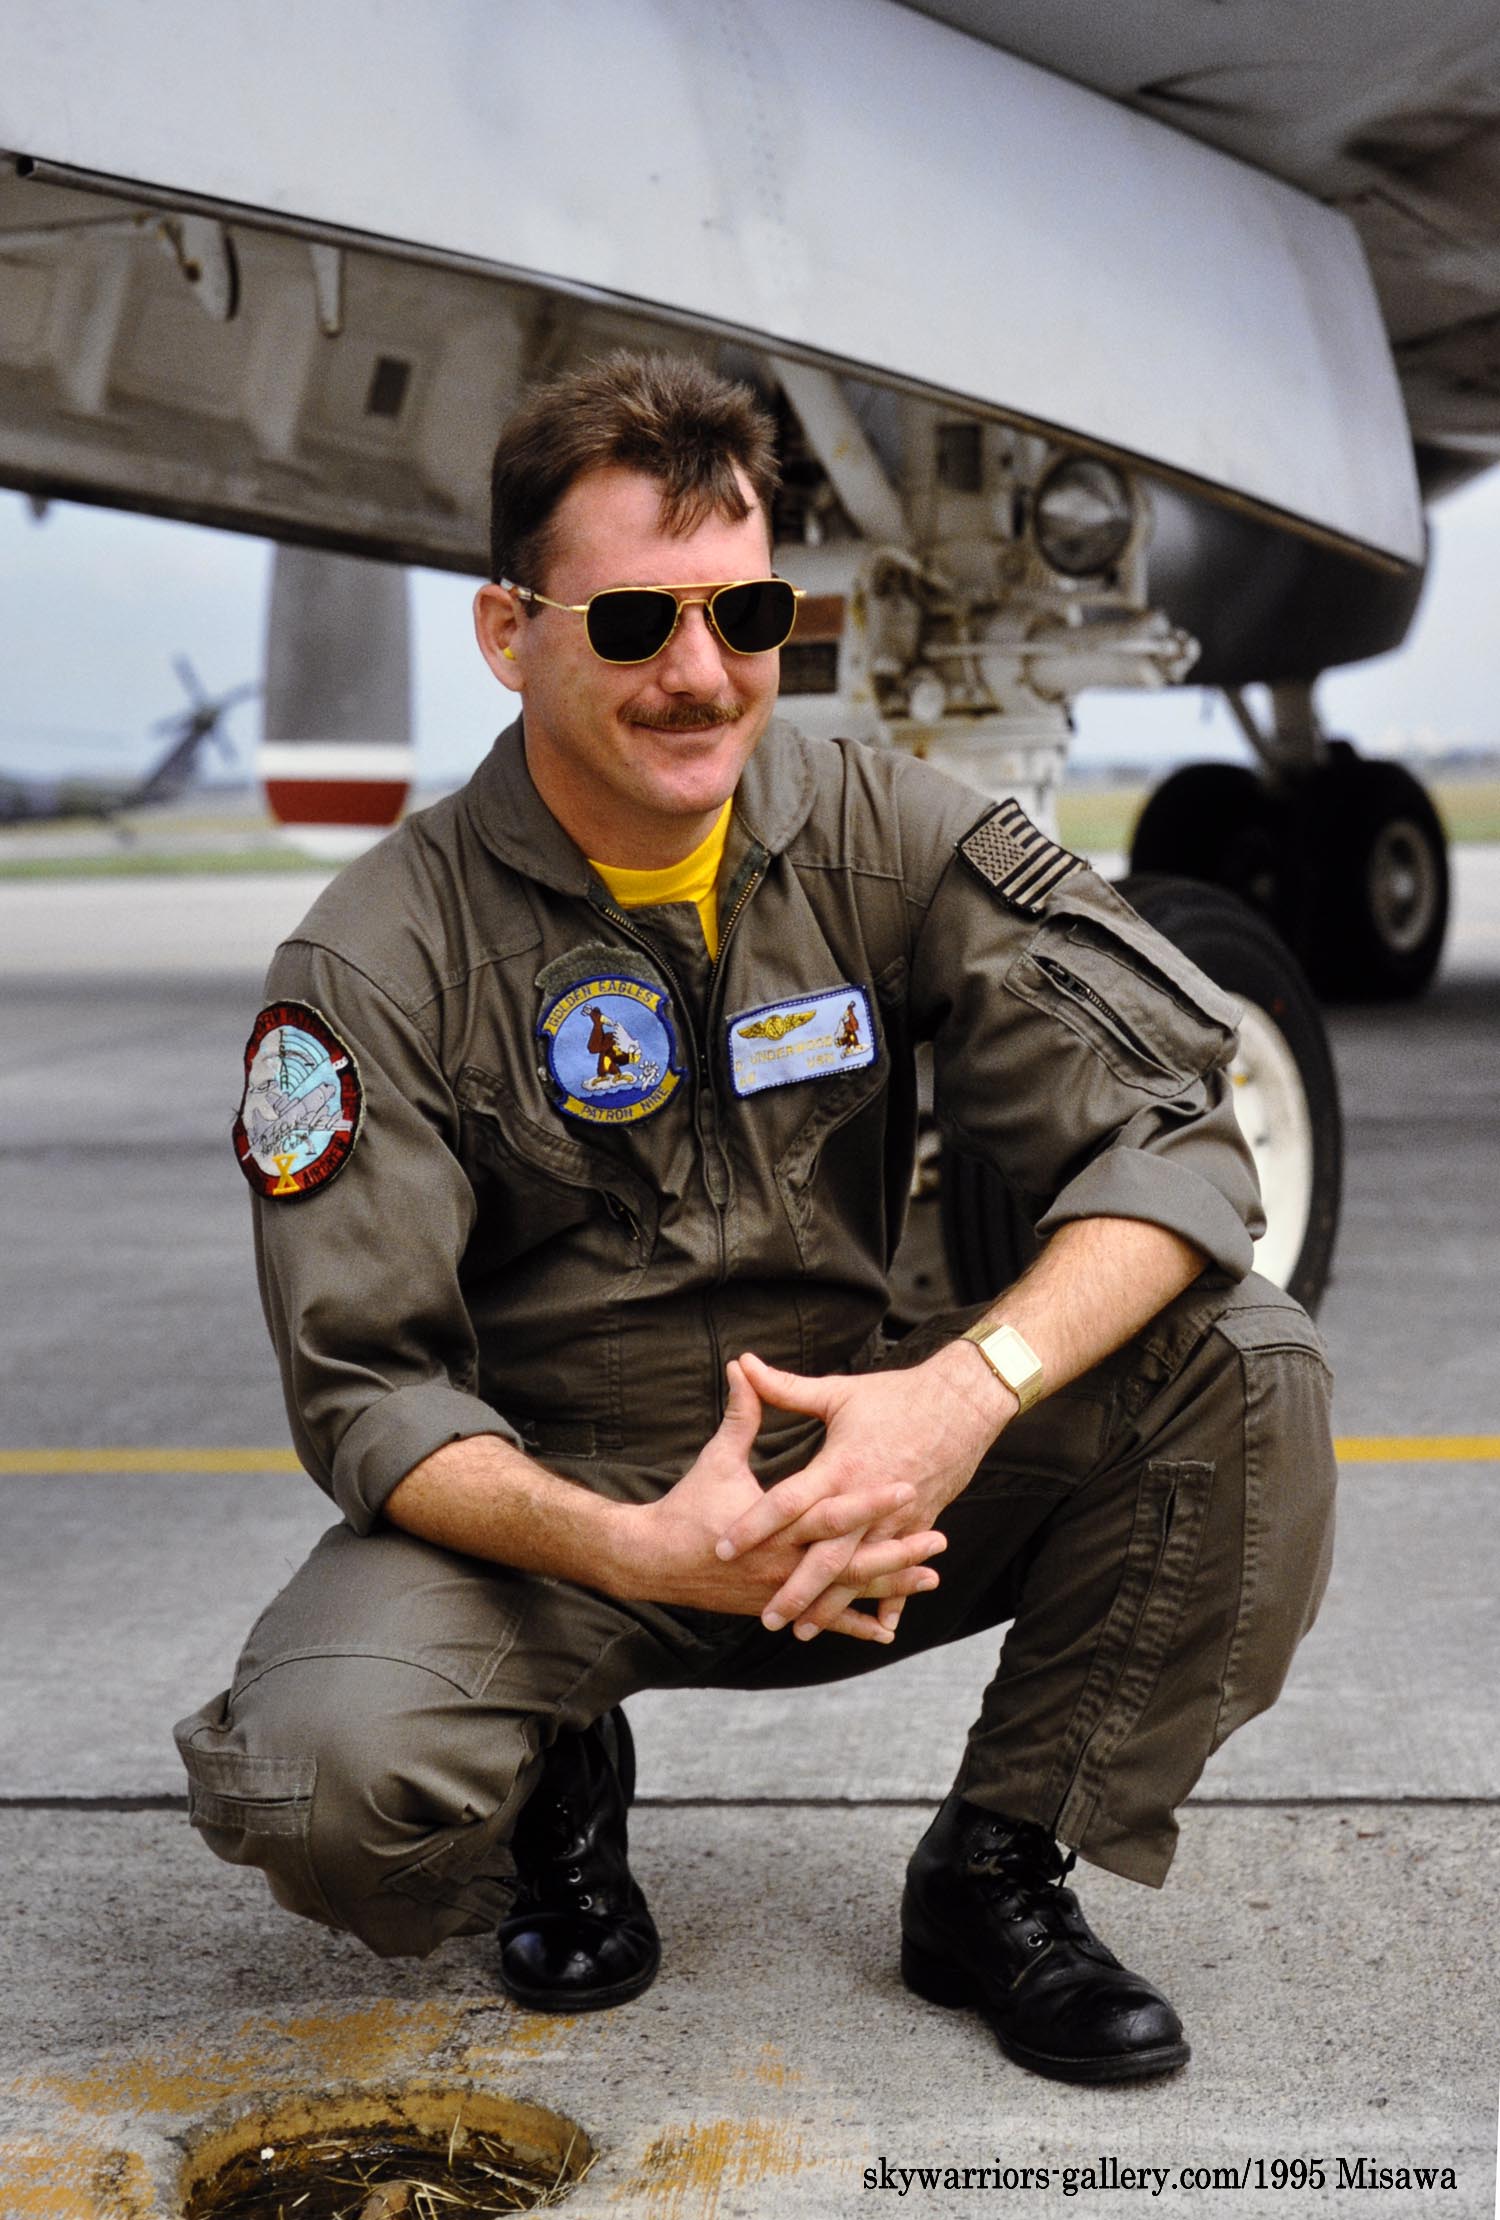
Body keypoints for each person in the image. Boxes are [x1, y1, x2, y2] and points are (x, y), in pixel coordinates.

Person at [177, 352, 1336, 2087]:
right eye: (635, 622)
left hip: (869, 1468)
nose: (703, 674)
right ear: (509, 633)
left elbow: (1177, 1140)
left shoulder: (891, 836)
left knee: (1248, 1365)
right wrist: (633, 1549)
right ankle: (557, 1785)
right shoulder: (375, 957)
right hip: (559, 1522)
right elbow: (371, 1393)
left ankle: (999, 1871)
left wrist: (961, 1397)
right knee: (316, 1783)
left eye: (749, 614)